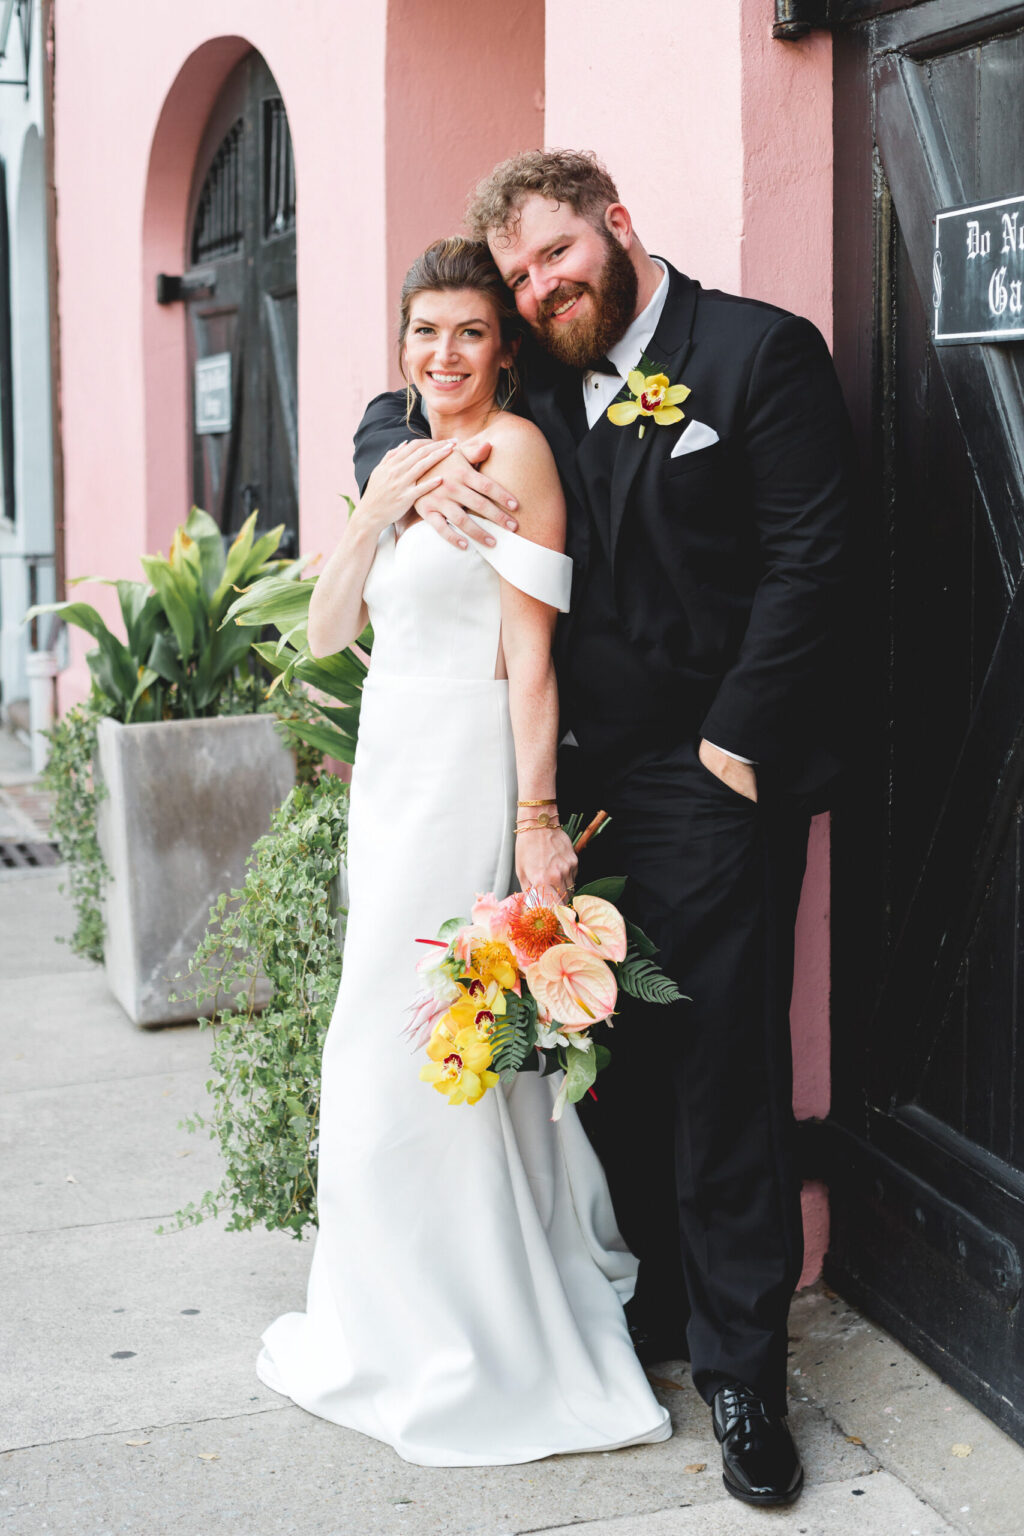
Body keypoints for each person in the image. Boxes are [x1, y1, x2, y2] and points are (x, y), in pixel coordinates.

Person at [354, 151, 853, 1506]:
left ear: (619, 226)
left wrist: (736, 740)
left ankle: (745, 1368)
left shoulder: (757, 354)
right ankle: (651, 1318)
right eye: (519, 275)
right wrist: (396, 467)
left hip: (709, 774)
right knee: (599, 1058)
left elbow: (815, 554)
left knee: (722, 1072)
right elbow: (399, 393)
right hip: (564, 787)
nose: (538, 288)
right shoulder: (530, 369)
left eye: (556, 257)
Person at [256, 236, 672, 1467]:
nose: (443, 356)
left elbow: (531, 658)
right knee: (367, 1037)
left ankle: (476, 1315)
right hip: (388, 773)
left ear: (503, 349)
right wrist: (376, 507)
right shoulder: (402, 465)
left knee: (429, 1036)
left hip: (465, 770)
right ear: (403, 347)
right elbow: (331, 629)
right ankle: (381, 1310)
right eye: (424, 333)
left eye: (469, 334)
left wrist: (536, 822)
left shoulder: (520, 455)